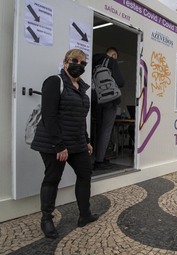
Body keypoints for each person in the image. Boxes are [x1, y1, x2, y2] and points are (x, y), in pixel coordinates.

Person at [31, 49, 99, 239]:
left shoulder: (82, 88)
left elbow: (79, 118)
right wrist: (59, 145)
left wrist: (86, 140)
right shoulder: (55, 81)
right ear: (65, 63)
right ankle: (46, 219)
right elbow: (49, 116)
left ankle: (84, 214)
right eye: (75, 61)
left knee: (85, 173)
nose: (80, 65)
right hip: (54, 143)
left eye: (83, 63)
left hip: (76, 142)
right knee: (52, 178)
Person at [92, 47, 125, 169]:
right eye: (115, 55)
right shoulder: (111, 61)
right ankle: (99, 161)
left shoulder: (93, 62)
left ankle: (99, 157)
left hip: (97, 100)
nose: (116, 57)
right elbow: (121, 82)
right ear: (111, 54)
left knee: (98, 130)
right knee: (106, 130)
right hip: (110, 101)